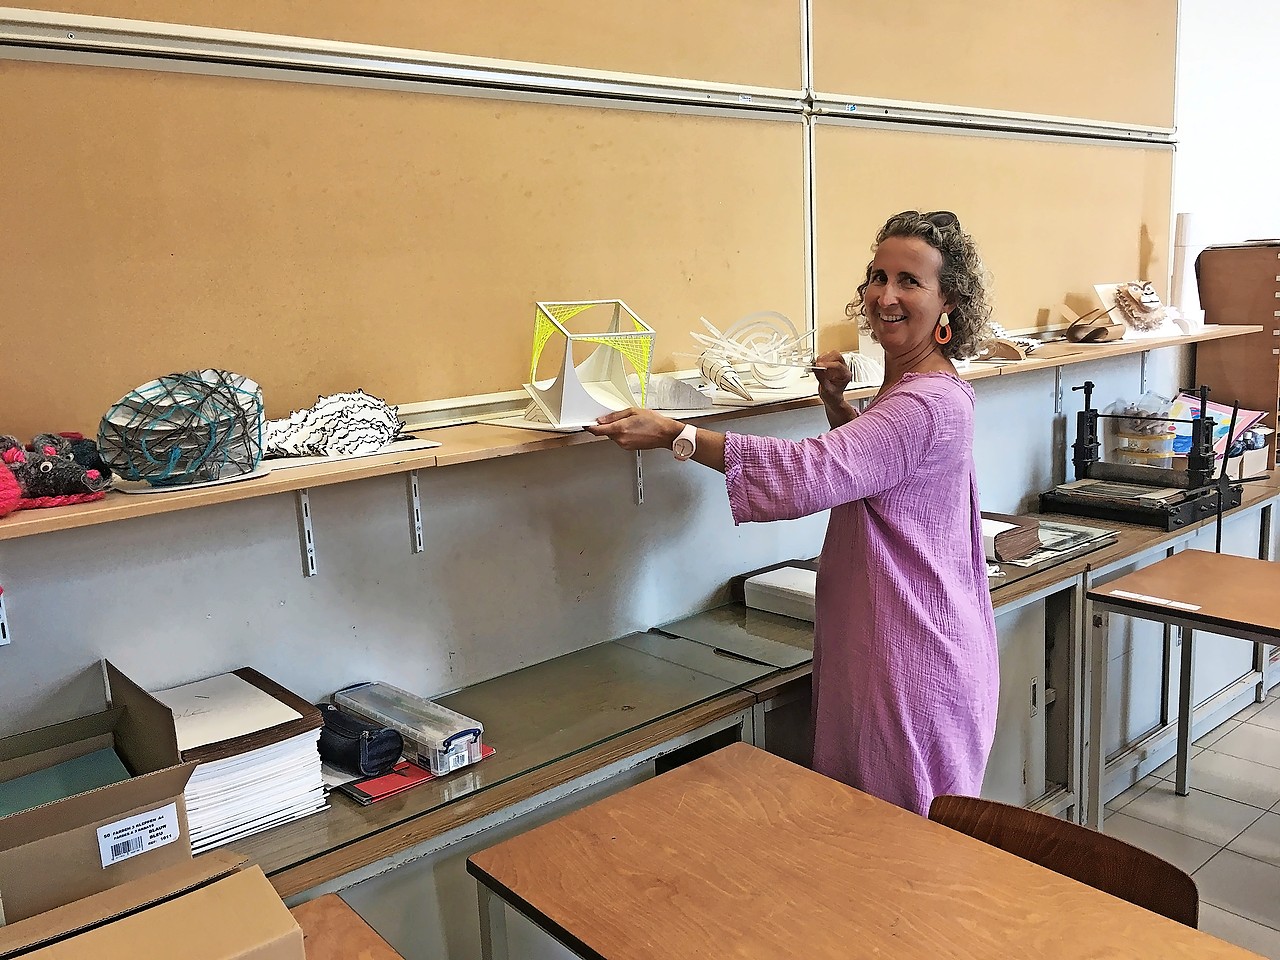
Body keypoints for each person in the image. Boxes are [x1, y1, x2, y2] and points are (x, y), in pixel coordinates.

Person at [586, 210, 999, 816]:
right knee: (878, 846)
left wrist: (677, 434)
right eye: (878, 276)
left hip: (909, 663)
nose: (886, 295)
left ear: (948, 305)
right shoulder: (925, 391)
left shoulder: (923, 404)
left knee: (903, 852)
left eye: (910, 281)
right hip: (905, 644)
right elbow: (873, 472)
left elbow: (812, 474)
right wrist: (836, 402)